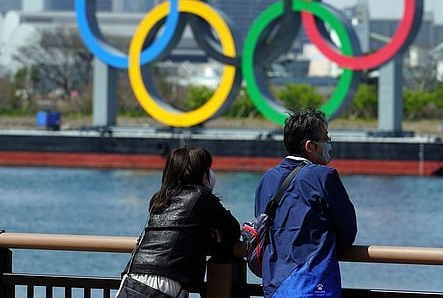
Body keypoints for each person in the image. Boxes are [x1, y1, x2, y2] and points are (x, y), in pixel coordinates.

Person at [255, 108, 357, 298]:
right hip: (314, 284)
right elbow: (348, 230)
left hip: (274, 285)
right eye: (326, 139)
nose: (328, 144)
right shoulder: (324, 176)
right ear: (311, 146)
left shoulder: (268, 178)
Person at [119, 146, 240, 298]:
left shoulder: (160, 198)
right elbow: (233, 229)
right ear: (201, 172)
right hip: (165, 282)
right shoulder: (202, 196)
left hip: (133, 274)